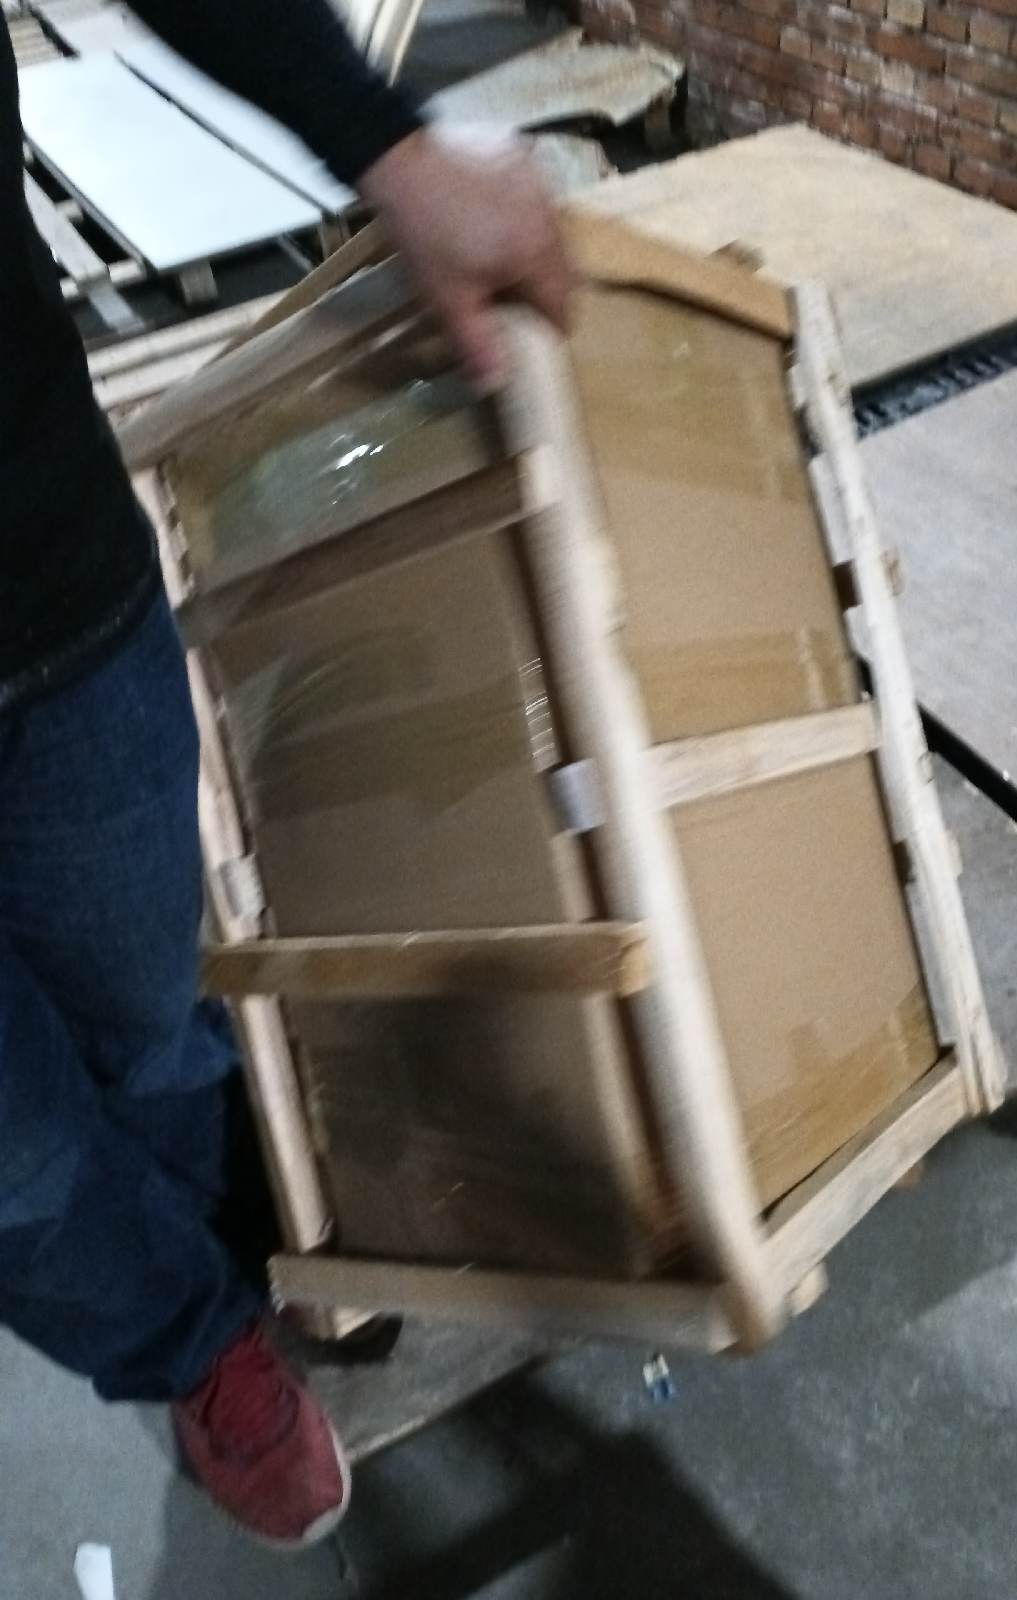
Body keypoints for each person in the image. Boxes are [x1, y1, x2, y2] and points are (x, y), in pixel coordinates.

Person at [0, 0, 569, 1550]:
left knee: (144, 1025)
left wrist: (388, 148)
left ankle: (224, 1252)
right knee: (19, 1159)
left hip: (48, 586)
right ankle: (192, 1343)